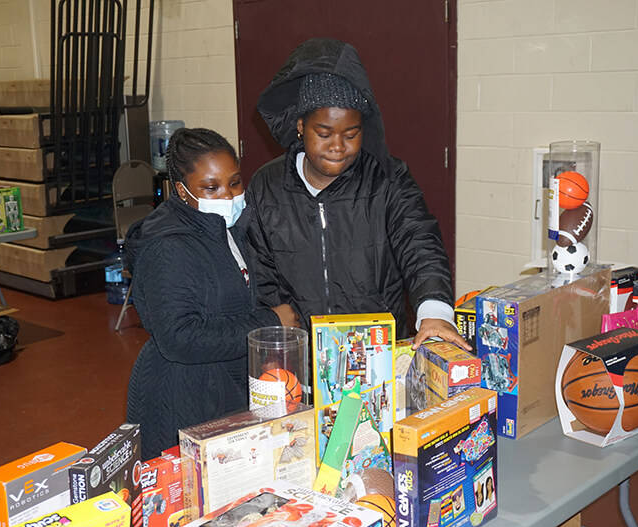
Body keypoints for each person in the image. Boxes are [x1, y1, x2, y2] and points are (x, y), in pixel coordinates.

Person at [245, 37, 470, 350]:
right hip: (302, 356)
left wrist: (434, 311)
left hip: (379, 351)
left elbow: (420, 243)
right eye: (324, 133)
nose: (338, 146)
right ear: (300, 126)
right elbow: (259, 268)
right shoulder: (266, 186)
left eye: (351, 134)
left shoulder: (387, 179)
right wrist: (275, 325)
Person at [125, 127, 299, 459]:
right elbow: (180, 336)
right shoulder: (168, 247)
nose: (227, 196)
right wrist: (268, 321)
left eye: (234, 182)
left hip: (225, 387)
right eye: (211, 187)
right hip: (181, 398)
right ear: (181, 189)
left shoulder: (231, 227)